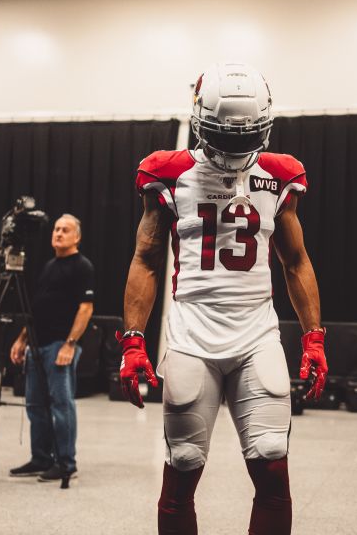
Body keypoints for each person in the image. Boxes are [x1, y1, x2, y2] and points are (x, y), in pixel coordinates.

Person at [117, 63, 328, 535]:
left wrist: (314, 337)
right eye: (225, 136)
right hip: (193, 335)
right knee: (184, 465)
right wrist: (133, 340)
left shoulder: (279, 175)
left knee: (272, 461)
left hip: (257, 334)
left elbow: (296, 261)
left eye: (245, 136)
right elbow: (146, 260)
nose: (235, 148)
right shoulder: (169, 174)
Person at [8, 214, 95, 482]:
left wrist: (70, 345)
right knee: (35, 404)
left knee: (61, 405)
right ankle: (41, 458)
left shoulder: (82, 266)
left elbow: (86, 308)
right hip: (37, 345)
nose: (58, 233)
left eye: (65, 230)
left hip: (60, 345)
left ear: (76, 237)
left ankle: (66, 463)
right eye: (56, 229)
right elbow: (37, 308)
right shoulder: (48, 266)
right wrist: (22, 339)